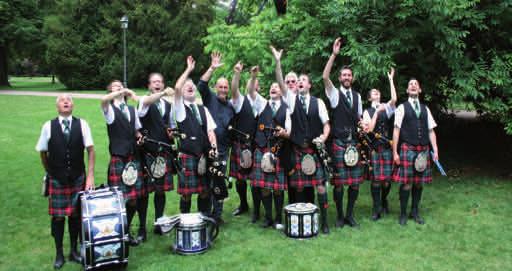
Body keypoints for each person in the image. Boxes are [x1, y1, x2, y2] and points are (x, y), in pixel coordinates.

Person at [272, 46, 331, 234]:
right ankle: (298, 222)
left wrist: (324, 137)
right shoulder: (291, 100)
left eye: (303, 81)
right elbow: (281, 83)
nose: (299, 83)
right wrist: (278, 62)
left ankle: (325, 222)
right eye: (298, 81)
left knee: (320, 187)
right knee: (298, 189)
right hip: (298, 149)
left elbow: (326, 124)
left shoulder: (318, 102)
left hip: (313, 150)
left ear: (309, 85)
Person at [36, 94, 95, 269]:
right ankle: (59, 253)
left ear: (73, 105)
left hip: (78, 177)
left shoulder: (82, 124)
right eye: (62, 100)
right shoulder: (48, 126)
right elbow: (42, 152)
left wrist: (90, 176)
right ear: (57, 106)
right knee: (58, 218)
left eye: (69, 99)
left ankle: (74, 251)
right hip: (58, 180)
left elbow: (91, 151)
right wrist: (51, 172)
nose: (66, 102)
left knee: (76, 216)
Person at [322, 38, 364, 228]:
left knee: (355, 183)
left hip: (354, 142)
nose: (346, 78)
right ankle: (339, 215)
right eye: (344, 75)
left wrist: (365, 125)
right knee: (339, 183)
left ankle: (349, 215)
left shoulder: (358, 96)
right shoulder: (334, 94)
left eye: (349, 75)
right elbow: (324, 77)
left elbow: (360, 118)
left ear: (352, 78)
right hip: (338, 142)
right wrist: (334, 55)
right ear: (339, 79)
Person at [101, 80, 145, 245]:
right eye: (114, 86)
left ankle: (125, 232)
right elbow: (103, 101)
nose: (118, 87)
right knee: (118, 200)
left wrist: (140, 137)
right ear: (110, 91)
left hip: (132, 158)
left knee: (133, 199)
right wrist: (118, 93)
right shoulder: (109, 109)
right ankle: (115, 232)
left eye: (120, 85)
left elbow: (136, 130)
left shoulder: (132, 110)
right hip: (118, 157)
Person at [173, 55, 219, 215]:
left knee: (205, 190)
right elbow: (177, 88)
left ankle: (203, 220)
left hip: (204, 156)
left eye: (192, 85)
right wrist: (189, 70)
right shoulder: (179, 107)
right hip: (187, 155)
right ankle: (185, 222)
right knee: (186, 194)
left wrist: (214, 148)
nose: (190, 86)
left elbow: (210, 131)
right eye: (187, 85)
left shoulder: (203, 109)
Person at [246, 66, 291, 229]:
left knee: (278, 189)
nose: (273, 88)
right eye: (271, 87)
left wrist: (284, 132)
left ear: (282, 91)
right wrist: (253, 76)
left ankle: (278, 217)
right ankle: (268, 217)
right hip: (261, 147)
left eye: (277, 87)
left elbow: (289, 130)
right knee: (264, 186)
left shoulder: (287, 108)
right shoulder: (262, 103)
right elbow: (251, 92)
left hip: (277, 150)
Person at [392, 78, 439, 226]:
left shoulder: (426, 109)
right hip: (408, 148)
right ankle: (403, 213)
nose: (413, 86)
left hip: (423, 150)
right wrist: (395, 152)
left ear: (419, 90)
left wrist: (435, 149)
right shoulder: (401, 108)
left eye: (416, 84)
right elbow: (396, 130)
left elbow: (431, 130)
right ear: (407, 90)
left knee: (419, 184)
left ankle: (415, 211)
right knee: (406, 183)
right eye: (410, 84)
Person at [196, 52, 236, 224]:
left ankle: (217, 215)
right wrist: (212, 67)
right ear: (216, 87)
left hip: (223, 150)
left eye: (226, 87)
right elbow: (201, 84)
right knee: (205, 182)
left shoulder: (230, 107)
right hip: (207, 148)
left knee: (219, 182)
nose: (223, 90)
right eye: (220, 87)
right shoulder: (209, 97)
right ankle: (203, 214)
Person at [137, 73, 175, 237]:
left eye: (160, 82)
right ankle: (142, 228)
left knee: (160, 191)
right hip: (147, 152)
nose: (157, 84)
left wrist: (172, 133)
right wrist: (163, 93)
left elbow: (172, 125)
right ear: (149, 86)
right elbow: (148, 101)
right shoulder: (144, 102)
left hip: (163, 152)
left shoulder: (168, 105)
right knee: (144, 192)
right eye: (154, 82)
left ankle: (158, 223)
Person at [230, 62, 265, 223]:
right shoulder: (239, 101)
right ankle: (244, 203)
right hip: (241, 144)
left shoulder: (262, 102)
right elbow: (234, 89)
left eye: (256, 85)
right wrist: (237, 73)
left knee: (256, 180)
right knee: (240, 178)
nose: (253, 86)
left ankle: (256, 211)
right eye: (252, 83)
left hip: (256, 145)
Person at [361, 68, 397, 220]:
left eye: (378, 92)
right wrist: (377, 112)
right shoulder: (367, 111)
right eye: (374, 93)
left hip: (387, 147)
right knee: (376, 180)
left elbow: (394, 99)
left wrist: (391, 79)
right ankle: (377, 209)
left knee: (387, 180)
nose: (377, 93)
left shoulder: (387, 108)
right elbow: (369, 129)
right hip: (375, 148)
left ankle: (383, 200)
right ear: (370, 98)